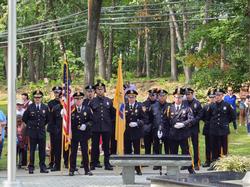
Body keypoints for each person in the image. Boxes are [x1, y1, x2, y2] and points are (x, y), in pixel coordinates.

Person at [168, 87, 195, 174]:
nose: (178, 99)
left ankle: (190, 169)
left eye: (180, 97)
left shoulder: (187, 108)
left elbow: (191, 119)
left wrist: (183, 124)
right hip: (173, 134)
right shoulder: (170, 108)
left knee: (186, 152)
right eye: (176, 97)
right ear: (174, 97)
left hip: (183, 134)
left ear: (182, 98)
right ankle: (172, 170)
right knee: (173, 153)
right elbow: (165, 121)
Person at [89, 81, 115, 171]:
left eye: (101, 89)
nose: (100, 91)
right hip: (95, 127)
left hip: (106, 127)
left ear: (104, 90)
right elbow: (89, 115)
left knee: (106, 147)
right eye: (98, 89)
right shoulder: (92, 102)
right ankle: (93, 163)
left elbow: (113, 115)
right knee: (94, 146)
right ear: (95, 91)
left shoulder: (109, 101)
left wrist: (109, 124)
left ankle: (107, 163)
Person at [207, 88, 236, 169]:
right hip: (214, 130)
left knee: (224, 148)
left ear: (222, 96)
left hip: (223, 130)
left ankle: (224, 164)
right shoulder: (211, 105)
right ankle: (214, 164)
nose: (217, 97)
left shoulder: (227, 105)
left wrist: (225, 122)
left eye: (219, 95)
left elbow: (233, 116)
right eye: (216, 95)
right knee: (214, 147)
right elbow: (208, 117)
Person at [22, 90, 49, 174]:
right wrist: (31, 125)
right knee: (32, 150)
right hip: (32, 132)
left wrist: (42, 125)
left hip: (41, 132)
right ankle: (31, 167)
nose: (37, 99)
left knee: (42, 151)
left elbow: (48, 119)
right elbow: (24, 118)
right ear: (33, 98)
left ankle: (42, 167)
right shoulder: (30, 107)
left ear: (41, 98)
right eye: (36, 97)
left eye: (39, 97)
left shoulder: (45, 107)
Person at [69, 91, 93, 176]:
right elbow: (68, 123)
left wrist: (86, 125)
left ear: (83, 100)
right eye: (76, 99)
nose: (78, 100)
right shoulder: (71, 110)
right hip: (74, 134)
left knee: (85, 152)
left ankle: (87, 169)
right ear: (74, 100)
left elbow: (91, 121)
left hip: (84, 134)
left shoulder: (87, 109)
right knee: (73, 152)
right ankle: (72, 169)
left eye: (80, 99)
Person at [149, 89, 171, 171]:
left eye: (163, 96)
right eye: (160, 96)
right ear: (157, 96)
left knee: (167, 148)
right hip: (156, 130)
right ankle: (157, 164)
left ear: (166, 96)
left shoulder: (170, 106)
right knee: (156, 148)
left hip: (167, 130)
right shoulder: (153, 106)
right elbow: (151, 119)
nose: (162, 97)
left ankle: (169, 164)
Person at [124, 89, 145, 175]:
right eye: (129, 97)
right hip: (127, 132)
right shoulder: (124, 106)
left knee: (137, 151)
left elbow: (144, 119)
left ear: (136, 97)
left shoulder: (140, 106)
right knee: (127, 151)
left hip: (136, 132)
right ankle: (127, 168)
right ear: (127, 97)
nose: (131, 98)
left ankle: (137, 168)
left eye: (133, 97)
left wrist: (137, 123)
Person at [183, 88, 203, 170]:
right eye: (186, 94)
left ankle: (196, 163)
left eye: (189, 94)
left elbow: (200, 115)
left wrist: (193, 121)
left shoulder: (197, 103)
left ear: (192, 94)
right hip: (185, 128)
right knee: (185, 147)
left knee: (195, 146)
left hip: (194, 128)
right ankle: (186, 163)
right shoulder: (183, 103)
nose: (187, 96)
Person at [84, 85, 102, 168]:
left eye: (91, 91)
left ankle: (96, 161)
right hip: (86, 126)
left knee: (95, 145)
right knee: (84, 144)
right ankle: (84, 161)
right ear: (86, 93)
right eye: (88, 91)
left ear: (94, 92)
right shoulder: (83, 102)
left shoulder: (97, 101)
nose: (90, 93)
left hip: (95, 126)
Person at [47, 86, 63, 169]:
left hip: (63, 129)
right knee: (54, 147)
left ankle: (66, 163)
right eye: (56, 92)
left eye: (59, 93)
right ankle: (52, 162)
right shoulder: (51, 103)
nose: (57, 94)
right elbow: (50, 118)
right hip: (54, 129)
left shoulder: (66, 105)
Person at [201, 88, 215, 167]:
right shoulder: (205, 106)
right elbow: (202, 116)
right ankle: (207, 160)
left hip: (215, 129)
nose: (212, 98)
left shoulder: (217, 106)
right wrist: (206, 122)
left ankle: (214, 161)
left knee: (214, 145)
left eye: (213, 97)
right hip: (207, 128)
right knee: (207, 145)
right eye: (210, 97)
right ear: (208, 97)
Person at [142, 88, 158, 155]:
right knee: (147, 146)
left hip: (155, 127)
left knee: (156, 146)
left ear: (156, 95)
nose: (152, 96)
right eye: (150, 95)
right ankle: (146, 162)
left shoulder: (158, 104)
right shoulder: (144, 104)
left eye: (153, 95)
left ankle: (155, 163)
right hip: (147, 127)